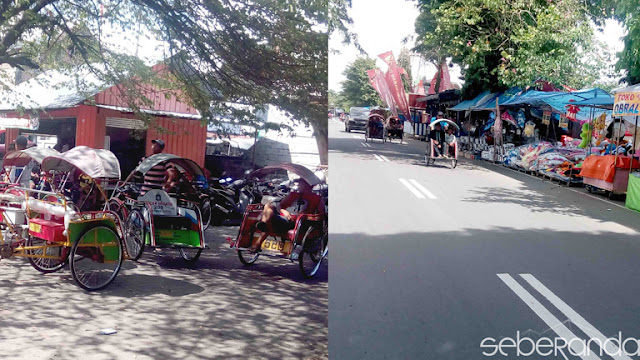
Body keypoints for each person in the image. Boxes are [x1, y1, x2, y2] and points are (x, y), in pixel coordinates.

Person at [248, 178, 326, 253]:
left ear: (307, 185)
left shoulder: (317, 198)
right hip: (283, 219)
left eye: (300, 183)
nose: (298, 185)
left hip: (299, 223)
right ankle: (263, 224)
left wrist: (305, 215)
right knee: (268, 206)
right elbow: (280, 206)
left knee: (269, 223)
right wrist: (284, 211)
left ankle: (258, 243)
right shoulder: (293, 195)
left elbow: (321, 215)